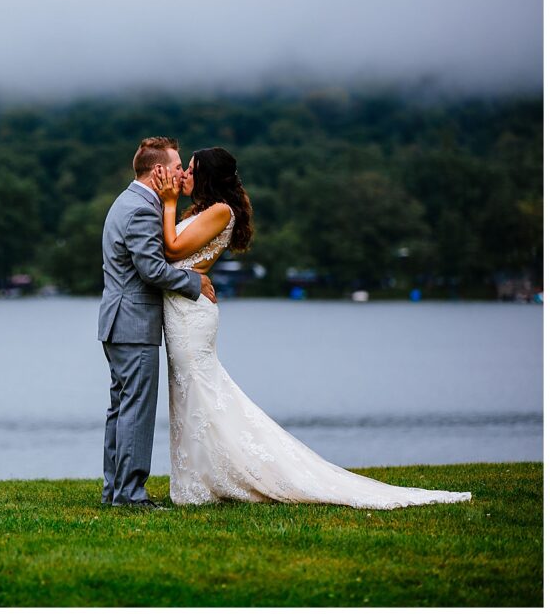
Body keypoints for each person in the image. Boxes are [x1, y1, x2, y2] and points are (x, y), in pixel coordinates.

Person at [151, 147, 472, 509]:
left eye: (191, 170)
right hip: (181, 312)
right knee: (189, 397)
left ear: (207, 175)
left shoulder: (219, 211)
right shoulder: (200, 210)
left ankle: (227, 478)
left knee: (202, 394)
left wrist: (168, 202)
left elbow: (174, 249)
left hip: (192, 318)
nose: (184, 176)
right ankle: (199, 480)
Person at [97, 137, 215, 509]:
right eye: (178, 166)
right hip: (132, 323)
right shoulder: (142, 209)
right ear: (158, 171)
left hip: (119, 322)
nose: (182, 173)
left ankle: (115, 490)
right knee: (136, 409)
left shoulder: (127, 201)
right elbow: (150, 269)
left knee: (121, 407)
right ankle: (130, 495)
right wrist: (195, 283)